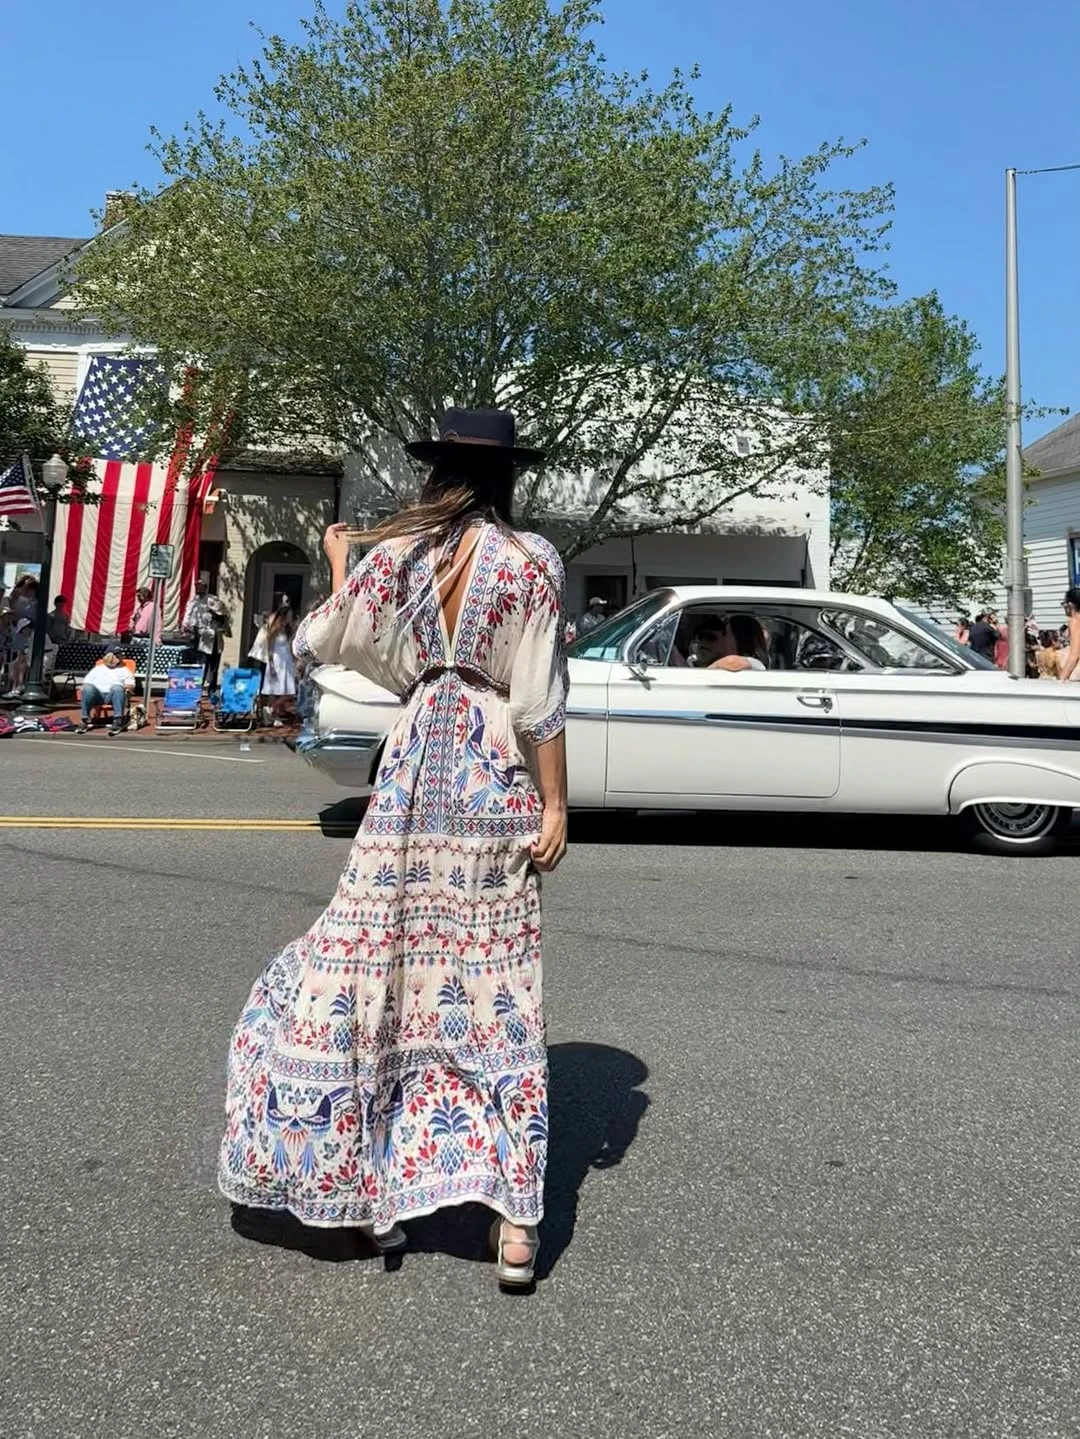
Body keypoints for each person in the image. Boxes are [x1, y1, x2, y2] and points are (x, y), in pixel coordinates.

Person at [218, 408, 567, 1287]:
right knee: (495, 986)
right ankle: (515, 1224)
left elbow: (329, 635)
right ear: (507, 477)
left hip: (409, 770)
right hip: (488, 773)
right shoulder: (531, 560)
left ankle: (366, 1186)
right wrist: (556, 801)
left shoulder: (400, 557)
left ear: (435, 474)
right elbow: (540, 700)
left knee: (383, 970)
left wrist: (342, 564)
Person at [248, 596, 297, 724]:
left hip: (286, 662)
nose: (289, 618)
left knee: (284, 690)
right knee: (282, 691)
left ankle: (274, 714)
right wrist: (271, 663)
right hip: (277, 662)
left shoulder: (287, 630)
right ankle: (271, 710)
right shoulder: (275, 629)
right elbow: (269, 647)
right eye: (288, 616)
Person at [182, 579, 229, 692]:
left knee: (213, 666)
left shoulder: (212, 599)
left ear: (205, 587)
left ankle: (211, 690)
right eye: (197, 586)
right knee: (200, 664)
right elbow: (187, 617)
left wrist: (213, 613)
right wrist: (186, 628)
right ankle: (197, 688)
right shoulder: (193, 601)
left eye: (201, 586)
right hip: (198, 636)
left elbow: (222, 615)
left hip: (212, 636)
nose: (199, 588)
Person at [76, 650, 135, 735]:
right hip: (97, 696)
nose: (119, 657)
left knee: (117, 688)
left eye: (119, 656)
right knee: (88, 688)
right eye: (116, 656)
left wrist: (121, 687)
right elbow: (86, 682)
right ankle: (84, 720)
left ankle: (117, 720)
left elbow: (131, 685)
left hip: (113, 696)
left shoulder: (124, 670)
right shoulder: (98, 669)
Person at [696, 612, 770, 672]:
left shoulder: (754, 663)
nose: (723, 639)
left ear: (738, 638)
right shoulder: (720, 665)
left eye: (726, 634)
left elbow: (733, 662)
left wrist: (703, 673)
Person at [1059, 588, 1080, 682]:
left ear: (1070, 605)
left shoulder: (1076, 621)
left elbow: (1074, 656)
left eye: (1063, 603)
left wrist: (1062, 678)